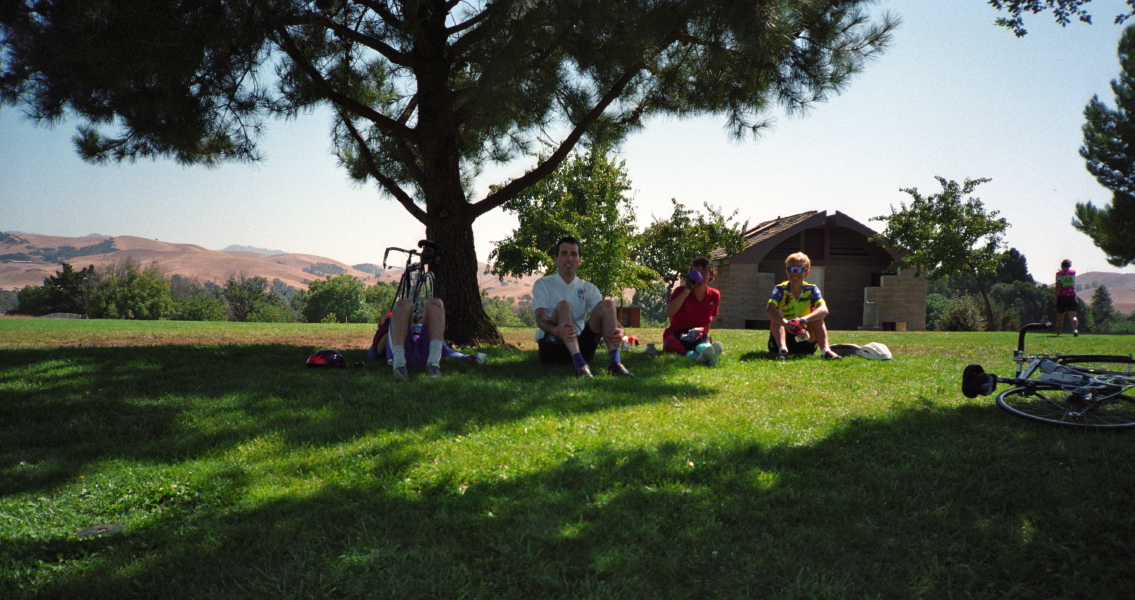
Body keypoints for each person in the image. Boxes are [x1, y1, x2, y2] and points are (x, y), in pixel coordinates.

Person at [532, 236, 634, 378]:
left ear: (580, 261)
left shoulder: (588, 288)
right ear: (556, 259)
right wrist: (556, 330)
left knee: (607, 304)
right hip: (552, 347)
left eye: (574, 254)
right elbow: (540, 319)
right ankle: (580, 365)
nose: (569, 258)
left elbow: (606, 316)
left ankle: (616, 364)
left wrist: (621, 331)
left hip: (582, 346)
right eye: (564, 253)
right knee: (564, 306)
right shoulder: (543, 284)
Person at [367, 297, 487, 380]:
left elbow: (446, 350)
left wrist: (466, 357)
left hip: (429, 354)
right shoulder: (390, 335)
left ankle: (433, 365)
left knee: (436, 302)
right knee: (402, 303)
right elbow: (373, 354)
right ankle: (399, 366)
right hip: (401, 352)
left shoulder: (431, 330)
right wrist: (383, 332)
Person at [765, 252, 841, 360]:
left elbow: (824, 310)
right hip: (783, 337)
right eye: (791, 270)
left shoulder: (812, 289)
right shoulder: (780, 289)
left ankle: (826, 351)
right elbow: (769, 310)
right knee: (776, 316)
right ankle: (783, 351)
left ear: (807, 272)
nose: (794, 274)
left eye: (799, 269)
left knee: (818, 318)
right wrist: (788, 324)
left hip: (805, 337)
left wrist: (802, 320)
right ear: (787, 272)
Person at [662, 257, 725, 365]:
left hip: (697, 334)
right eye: (696, 272)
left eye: (704, 272)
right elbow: (669, 313)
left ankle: (707, 351)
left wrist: (704, 337)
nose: (700, 276)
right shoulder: (680, 291)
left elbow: (708, 322)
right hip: (677, 334)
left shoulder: (714, 294)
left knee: (703, 341)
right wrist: (687, 290)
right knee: (682, 347)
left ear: (710, 276)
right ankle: (705, 358)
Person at [1054, 259, 1078, 337]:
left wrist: (1055, 298)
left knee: (1060, 316)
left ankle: (1058, 333)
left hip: (1062, 297)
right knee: (1073, 316)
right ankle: (1075, 330)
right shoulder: (1073, 273)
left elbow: (1058, 286)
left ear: (1061, 265)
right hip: (1071, 296)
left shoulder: (1059, 274)